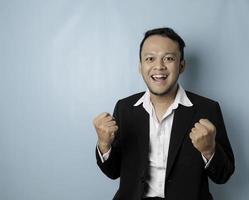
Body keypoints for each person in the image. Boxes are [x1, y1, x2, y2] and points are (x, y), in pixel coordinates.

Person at [93, 27, 235, 200]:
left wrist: (209, 150)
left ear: (181, 65)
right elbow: (113, 172)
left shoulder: (207, 109)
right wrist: (104, 145)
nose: (159, 66)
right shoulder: (125, 108)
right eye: (150, 58)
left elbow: (223, 175)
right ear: (140, 66)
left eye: (168, 58)